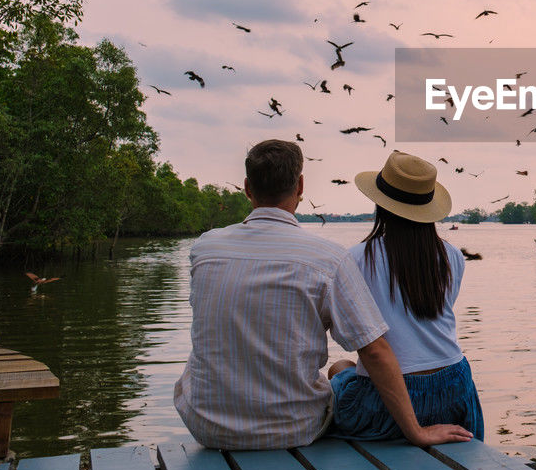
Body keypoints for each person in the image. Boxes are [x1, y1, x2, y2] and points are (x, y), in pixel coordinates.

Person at [173, 139, 472, 450]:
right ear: (300, 186)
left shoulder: (204, 249)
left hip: (206, 426)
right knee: (341, 369)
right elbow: (375, 350)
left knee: (340, 369)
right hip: (295, 428)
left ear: (247, 188)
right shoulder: (329, 259)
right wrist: (416, 432)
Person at [327, 150, 484, 441]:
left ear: (380, 205)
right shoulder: (452, 256)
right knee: (344, 370)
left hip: (389, 402)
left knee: (339, 369)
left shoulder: (357, 258)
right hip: (454, 388)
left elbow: (363, 346)